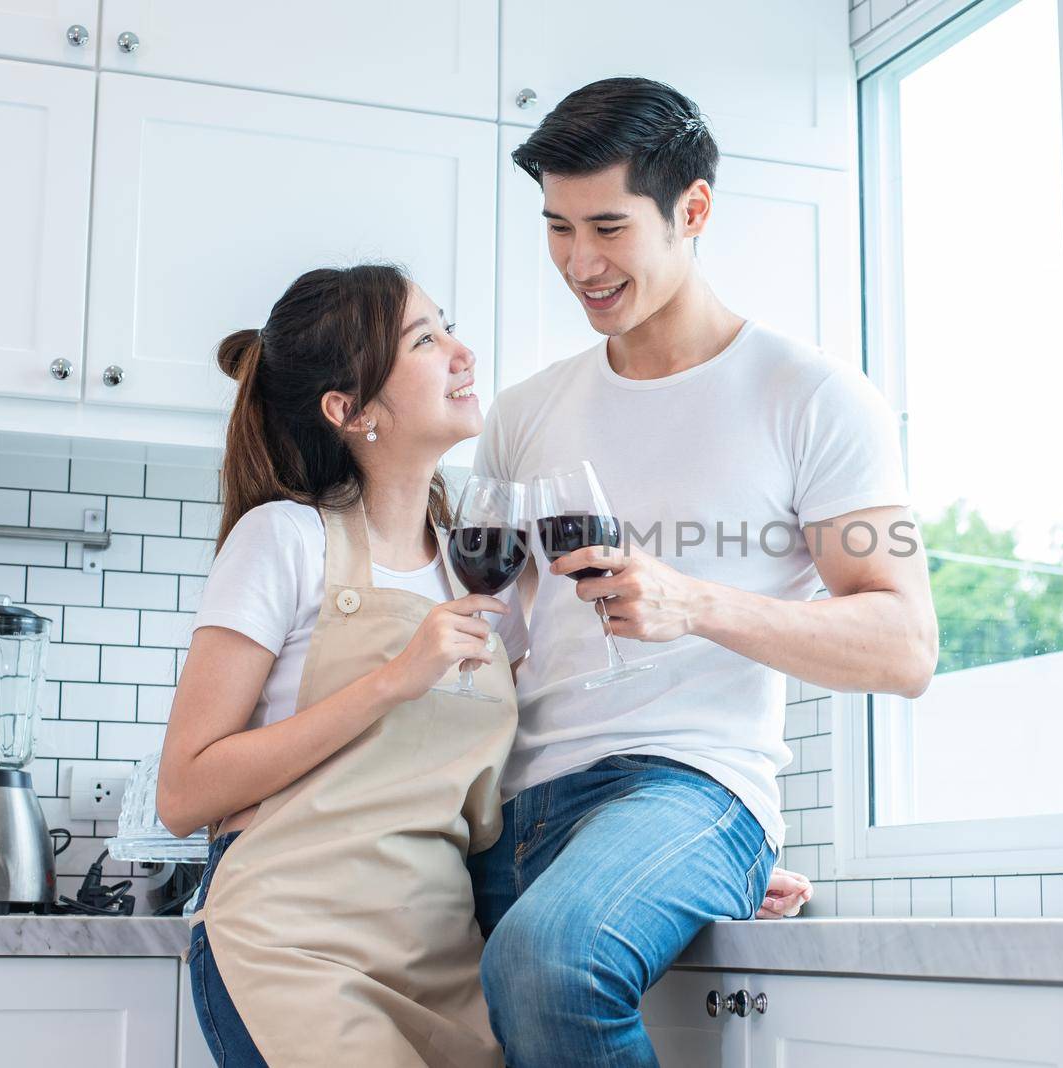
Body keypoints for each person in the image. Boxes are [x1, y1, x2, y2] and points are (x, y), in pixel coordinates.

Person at [469, 77, 938, 1066]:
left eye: (608, 226)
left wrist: (693, 603)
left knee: (550, 959)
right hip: (515, 805)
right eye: (557, 228)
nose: (579, 263)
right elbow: (493, 643)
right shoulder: (523, 413)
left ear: (693, 211)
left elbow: (905, 645)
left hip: (690, 786)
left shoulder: (812, 398)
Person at [157, 264, 523, 1067]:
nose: (461, 352)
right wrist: (394, 678)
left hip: (442, 963)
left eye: (445, 326)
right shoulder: (285, 540)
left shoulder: (480, 569)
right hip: (294, 948)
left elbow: (518, 785)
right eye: (425, 339)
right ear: (349, 411)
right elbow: (184, 793)